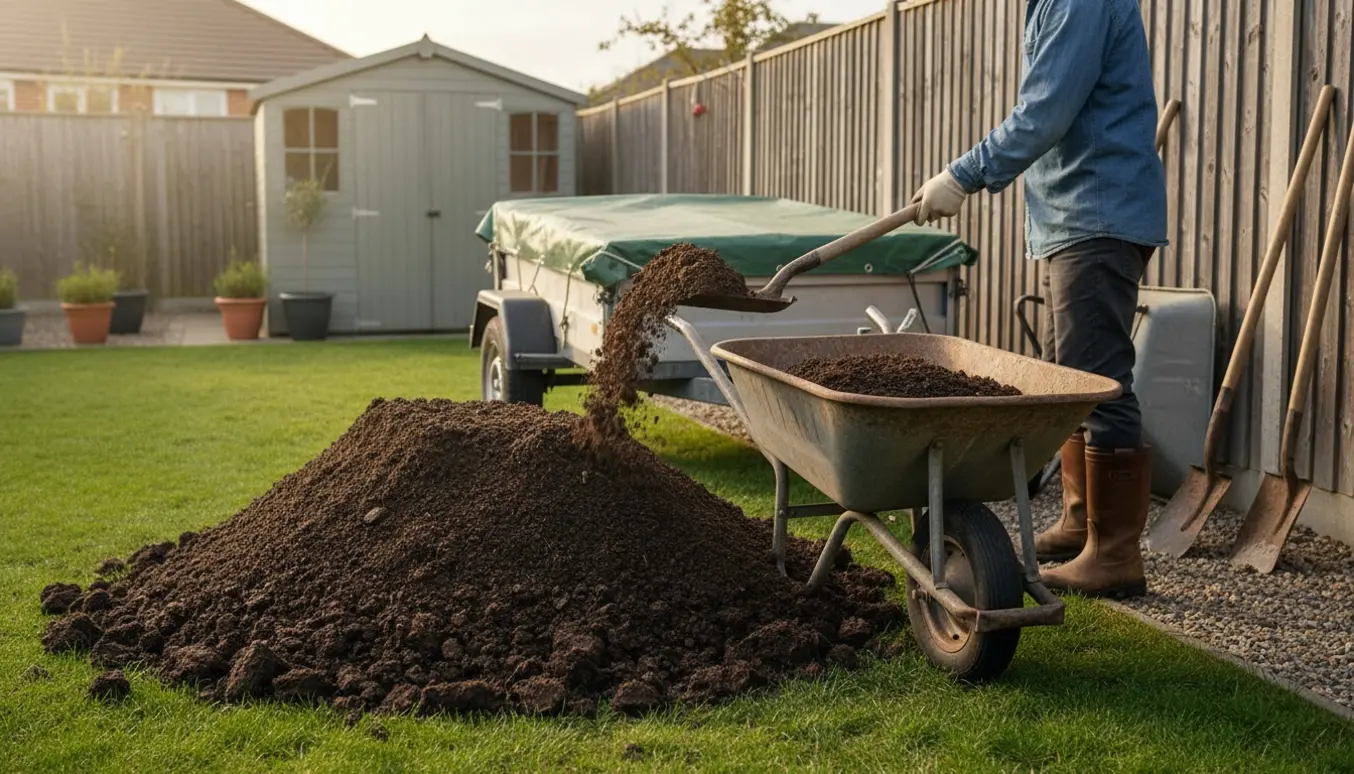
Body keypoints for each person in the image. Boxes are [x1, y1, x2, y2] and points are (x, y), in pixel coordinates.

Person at [910, 0, 1166, 599]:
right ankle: (1082, 522)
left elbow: (1044, 112)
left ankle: (1116, 554)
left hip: (1096, 215)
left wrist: (964, 174)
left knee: (1099, 382)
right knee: (1067, 382)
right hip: (1071, 218)